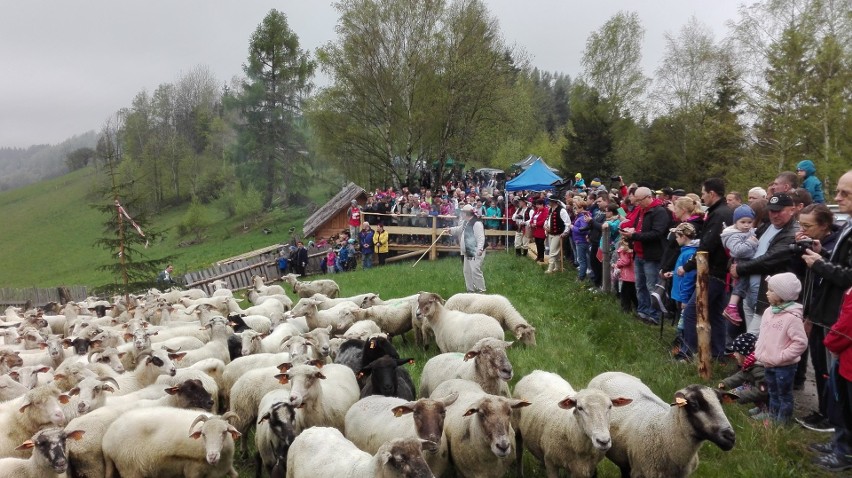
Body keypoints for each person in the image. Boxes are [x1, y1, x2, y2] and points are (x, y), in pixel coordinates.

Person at [803, 170, 852, 471]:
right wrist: (825, 255)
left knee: (844, 389)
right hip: (838, 314)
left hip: (845, 319)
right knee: (840, 389)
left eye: (845, 193)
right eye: (837, 191)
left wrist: (820, 264)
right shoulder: (848, 224)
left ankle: (844, 452)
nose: (836, 198)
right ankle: (840, 443)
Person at [795, 203, 841, 431]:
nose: (804, 229)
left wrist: (821, 258)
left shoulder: (838, 242)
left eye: (808, 225)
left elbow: (838, 275)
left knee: (826, 369)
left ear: (824, 225)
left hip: (829, 315)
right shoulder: (818, 244)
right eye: (800, 225)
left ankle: (832, 418)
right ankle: (823, 411)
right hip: (814, 310)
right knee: (820, 363)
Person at [677, 178, 734, 360]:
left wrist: (688, 266)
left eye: (703, 193)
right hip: (718, 270)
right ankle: (718, 354)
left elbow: (708, 244)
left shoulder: (719, 214)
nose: (701, 197)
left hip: (713, 270)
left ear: (712, 193)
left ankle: (689, 353)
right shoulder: (720, 211)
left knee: (692, 312)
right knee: (716, 315)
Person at [732, 192, 801, 336]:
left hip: (769, 298)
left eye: (779, 211)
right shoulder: (766, 226)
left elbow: (770, 259)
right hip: (751, 293)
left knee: (752, 343)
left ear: (792, 210)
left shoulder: (792, 233)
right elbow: (746, 248)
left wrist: (739, 268)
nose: (774, 215)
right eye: (771, 211)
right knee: (751, 343)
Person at [752, 272, 807, 424]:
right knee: (773, 392)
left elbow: (801, 342)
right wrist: (759, 349)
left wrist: (782, 356)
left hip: (784, 366)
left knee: (784, 394)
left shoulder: (792, 317)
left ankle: (782, 421)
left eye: (771, 290)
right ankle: (772, 414)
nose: (766, 293)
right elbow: (763, 333)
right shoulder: (769, 312)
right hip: (769, 362)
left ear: (782, 295)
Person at [621, 186, 670, 325]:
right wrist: (631, 231)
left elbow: (657, 233)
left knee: (651, 286)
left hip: (652, 255)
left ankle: (654, 315)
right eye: (636, 200)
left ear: (649, 197)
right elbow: (638, 227)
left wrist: (635, 235)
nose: (637, 203)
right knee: (640, 285)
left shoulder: (659, 211)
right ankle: (643, 311)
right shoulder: (641, 210)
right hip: (639, 253)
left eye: (640, 200)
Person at [721, 205, 758, 326]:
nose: (746, 225)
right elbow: (738, 250)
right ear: (735, 222)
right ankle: (731, 306)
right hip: (741, 262)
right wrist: (751, 242)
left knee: (744, 286)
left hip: (749, 262)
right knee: (740, 285)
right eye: (743, 222)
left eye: (749, 222)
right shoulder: (733, 235)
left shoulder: (750, 231)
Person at [717, 333, 768, 413]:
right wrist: (724, 383)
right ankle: (761, 407)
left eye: (736, 352)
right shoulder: (750, 365)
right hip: (761, 391)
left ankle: (768, 411)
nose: (734, 354)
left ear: (744, 354)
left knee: (747, 388)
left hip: (769, 396)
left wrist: (738, 396)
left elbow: (762, 392)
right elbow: (739, 376)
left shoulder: (759, 368)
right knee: (743, 388)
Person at [444, 204, 486, 293]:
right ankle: (470, 290)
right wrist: (450, 230)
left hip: (474, 250)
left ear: (466, 214)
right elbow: (459, 229)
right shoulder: (465, 222)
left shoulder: (477, 223)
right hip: (467, 250)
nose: (461, 214)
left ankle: (481, 290)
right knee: (467, 271)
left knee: (475, 270)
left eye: (462, 212)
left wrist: (480, 249)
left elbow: (480, 237)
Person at [544, 195, 571, 274]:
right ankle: (557, 267)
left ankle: (550, 269)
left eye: (550, 201)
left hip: (558, 234)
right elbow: (548, 219)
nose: (549, 202)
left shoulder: (562, 210)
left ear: (554, 202)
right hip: (550, 233)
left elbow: (567, 223)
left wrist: (565, 232)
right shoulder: (550, 209)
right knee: (555, 251)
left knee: (552, 251)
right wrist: (545, 226)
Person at [571, 199, 592, 281]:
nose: (575, 209)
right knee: (584, 258)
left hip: (581, 241)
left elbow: (583, 230)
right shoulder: (581, 216)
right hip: (579, 240)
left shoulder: (583, 217)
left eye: (576, 208)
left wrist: (573, 228)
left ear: (581, 208)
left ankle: (581, 277)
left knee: (581, 259)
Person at [615, 237, 637, 312]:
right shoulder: (632, 252)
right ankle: (636, 306)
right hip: (631, 276)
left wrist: (617, 263)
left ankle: (626, 308)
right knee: (632, 292)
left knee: (625, 293)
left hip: (628, 277)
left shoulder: (625, 252)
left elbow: (625, 261)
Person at [530, 199, 549, 263]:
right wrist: (531, 223)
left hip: (541, 230)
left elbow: (544, 220)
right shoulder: (537, 211)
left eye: (538, 204)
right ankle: (538, 255)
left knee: (541, 243)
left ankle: (542, 257)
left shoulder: (545, 211)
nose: (537, 206)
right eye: (536, 204)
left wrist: (536, 224)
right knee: (537, 243)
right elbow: (532, 218)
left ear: (542, 205)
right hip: (536, 230)